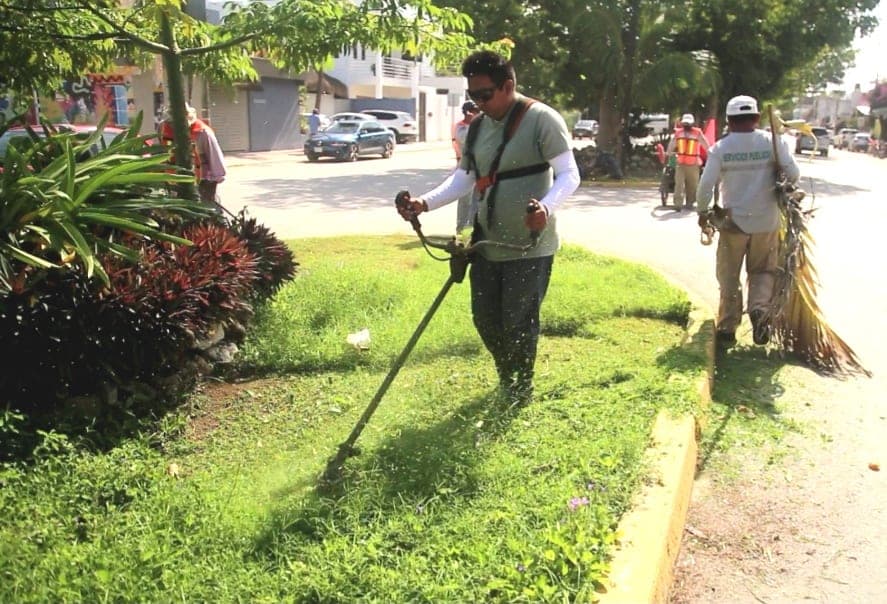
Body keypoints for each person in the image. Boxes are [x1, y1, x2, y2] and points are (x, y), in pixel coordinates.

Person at [396, 50, 580, 404]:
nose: (478, 103)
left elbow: (570, 173)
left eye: (485, 95)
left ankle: (519, 387)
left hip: (529, 245)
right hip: (486, 243)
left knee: (519, 321)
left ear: (508, 86)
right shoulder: (478, 127)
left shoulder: (541, 119)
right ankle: (508, 376)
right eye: (472, 96)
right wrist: (424, 203)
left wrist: (546, 206)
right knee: (485, 320)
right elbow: (464, 179)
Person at [696, 95, 800, 346]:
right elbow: (794, 174)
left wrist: (703, 212)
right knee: (763, 270)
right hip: (767, 221)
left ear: (729, 121)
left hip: (734, 223)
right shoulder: (773, 143)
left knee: (729, 275)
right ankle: (760, 310)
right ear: (756, 118)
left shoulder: (721, 148)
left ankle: (728, 326)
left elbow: (706, 185)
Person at [666, 113, 710, 210]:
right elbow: (673, 142)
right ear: (682, 123)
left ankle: (690, 202)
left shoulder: (697, 133)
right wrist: (669, 152)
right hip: (681, 163)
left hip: (693, 163)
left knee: (693, 184)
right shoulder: (678, 133)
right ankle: (678, 204)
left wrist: (710, 152)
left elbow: (704, 142)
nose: (686, 125)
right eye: (685, 123)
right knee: (679, 184)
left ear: (692, 123)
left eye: (688, 123)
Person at [186, 104, 227, 205]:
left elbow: (215, 157)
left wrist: (214, 180)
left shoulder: (203, 132)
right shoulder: (168, 130)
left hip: (203, 181)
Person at [451, 100, 480, 231]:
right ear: (467, 113)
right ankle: (460, 228)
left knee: (477, 200)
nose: (477, 113)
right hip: (465, 168)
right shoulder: (460, 127)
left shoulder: (478, 126)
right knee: (464, 200)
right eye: (474, 111)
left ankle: (473, 228)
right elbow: (465, 139)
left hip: (479, 167)